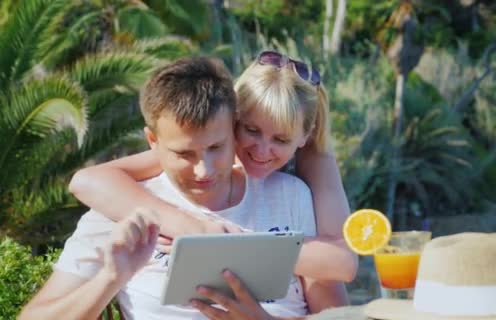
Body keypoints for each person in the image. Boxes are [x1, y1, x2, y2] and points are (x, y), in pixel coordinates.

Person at [16, 56, 347, 320]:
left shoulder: (290, 195)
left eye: (216, 148)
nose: (203, 169)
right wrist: (109, 278)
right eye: (184, 153)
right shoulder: (123, 209)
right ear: (153, 141)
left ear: (232, 128)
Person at [68, 50, 357, 282]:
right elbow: (87, 181)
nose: (262, 149)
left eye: (281, 139)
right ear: (231, 122)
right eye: (251, 130)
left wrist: (233, 244)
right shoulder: (206, 151)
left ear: (303, 137)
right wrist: (192, 228)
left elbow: (343, 262)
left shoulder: (314, 158)